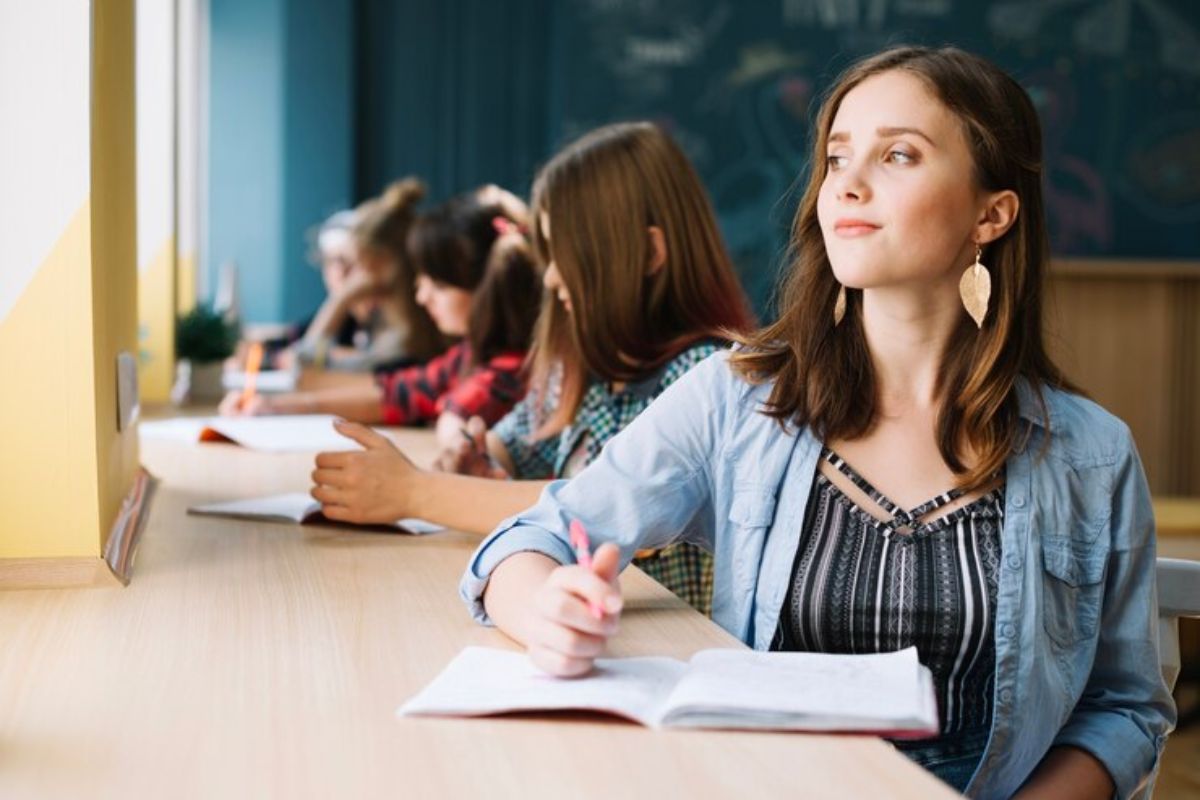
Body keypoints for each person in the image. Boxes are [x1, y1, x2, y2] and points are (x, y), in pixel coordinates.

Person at [458, 47, 1175, 798]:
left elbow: (1124, 708)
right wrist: (545, 609)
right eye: (837, 158)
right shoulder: (737, 402)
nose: (848, 184)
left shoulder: (1092, 454)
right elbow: (532, 537)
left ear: (991, 214)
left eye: (898, 154)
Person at [311, 122, 755, 614]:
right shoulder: (584, 371)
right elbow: (507, 442)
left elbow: (595, 509)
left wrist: (417, 492)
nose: (550, 276)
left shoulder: (704, 381)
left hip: (664, 651)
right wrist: (478, 462)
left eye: (568, 255)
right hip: (581, 632)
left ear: (649, 254)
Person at [220, 188, 540, 450]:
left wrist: (452, 430)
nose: (422, 296)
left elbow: (458, 411)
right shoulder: (467, 356)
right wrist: (272, 408)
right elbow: (395, 392)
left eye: (438, 285)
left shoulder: (515, 366)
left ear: (489, 285)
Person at [291, 178, 445, 372]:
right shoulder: (386, 327)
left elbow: (307, 367)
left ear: (378, 265)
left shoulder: (403, 343)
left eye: (354, 263)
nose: (348, 275)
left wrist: (341, 299)